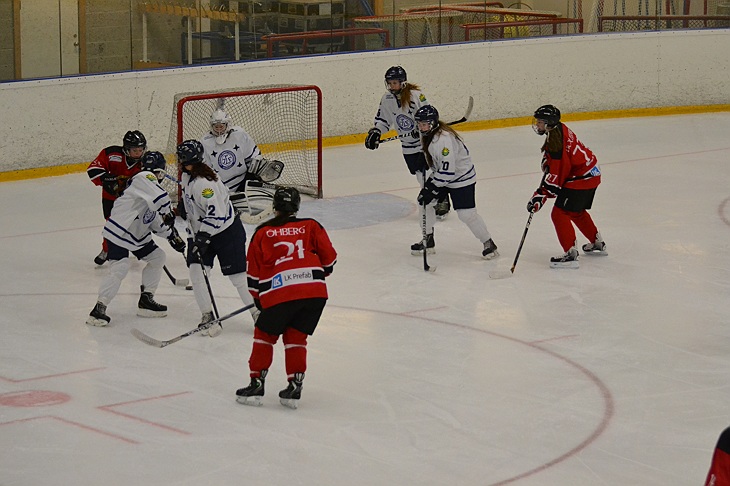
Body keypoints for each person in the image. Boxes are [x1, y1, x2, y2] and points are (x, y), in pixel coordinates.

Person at [235, 187, 337, 409]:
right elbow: (329, 261)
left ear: (275, 207)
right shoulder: (311, 225)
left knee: (264, 334)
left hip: (280, 293)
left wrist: (258, 299)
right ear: (297, 206)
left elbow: (253, 275)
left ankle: (256, 384)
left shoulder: (263, 232)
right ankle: (294, 387)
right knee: (296, 337)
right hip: (314, 294)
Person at [86, 151, 185, 327]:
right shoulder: (143, 177)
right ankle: (99, 309)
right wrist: (168, 212)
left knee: (158, 257)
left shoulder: (148, 190)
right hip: (120, 231)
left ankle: (146, 300)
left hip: (136, 235)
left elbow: (153, 221)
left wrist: (172, 236)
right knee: (120, 268)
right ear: (159, 172)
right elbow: (162, 199)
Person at [176, 139, 260, 337]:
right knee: (197, 273)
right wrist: (183, 208)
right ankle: (208, 316)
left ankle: (258, 313)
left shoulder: (205, 184)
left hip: (226, 233)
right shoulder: (188, 176)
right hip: (201, 232)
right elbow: (193, 201)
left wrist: (203, 237)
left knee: (238, 278)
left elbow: (216, 214)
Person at [365, 66, 451, 221]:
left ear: (403, 82)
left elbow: (429, 115)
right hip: (407, 146)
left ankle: (441, 199)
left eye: (395, 83)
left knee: (427, 174)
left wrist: (420, 130)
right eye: (390, 83)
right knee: (419, 175)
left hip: (424, 143)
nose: (392, 86)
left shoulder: (416, 96)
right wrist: (376, 131)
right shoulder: (387, 99)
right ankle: (435, 199)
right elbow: (383, 120)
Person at [413, 105, 499, 260]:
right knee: (424, 203)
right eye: (419, 124)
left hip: (461, 178)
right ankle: (428, 239)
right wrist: (424, 158)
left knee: (466, 214)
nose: (420, 127)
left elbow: (448, 171)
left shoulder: (443, 140)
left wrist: (431, 187)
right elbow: (438, 162)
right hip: (443, 174)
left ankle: (488, 243)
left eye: (423, 124)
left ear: (432, 123)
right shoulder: (428, 133)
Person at [526, 105, 607, 269]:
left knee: (559, 213)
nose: (537, 125)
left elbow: (557, 177)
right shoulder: (559, 129)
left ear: (548, 123)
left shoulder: (557, 144)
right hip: (592, 173)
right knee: (575, 211)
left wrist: (541, 195)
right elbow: (562, 159)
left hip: (581, 178)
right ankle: (596, 242)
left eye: (540, 122)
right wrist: (548, 160)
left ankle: (570, 254)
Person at [87, 130, 147, 266]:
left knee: (136, 224)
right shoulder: (111, 154)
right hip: (111, 198)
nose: (138, 153)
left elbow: (152, 179)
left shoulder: (145, 161)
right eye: (134, 150)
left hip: (133, 199)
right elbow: (93, 169)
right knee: (112, 225)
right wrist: (106, 179)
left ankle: (137, 247)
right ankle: (107, 249)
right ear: (126, 149)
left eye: (140, 150)